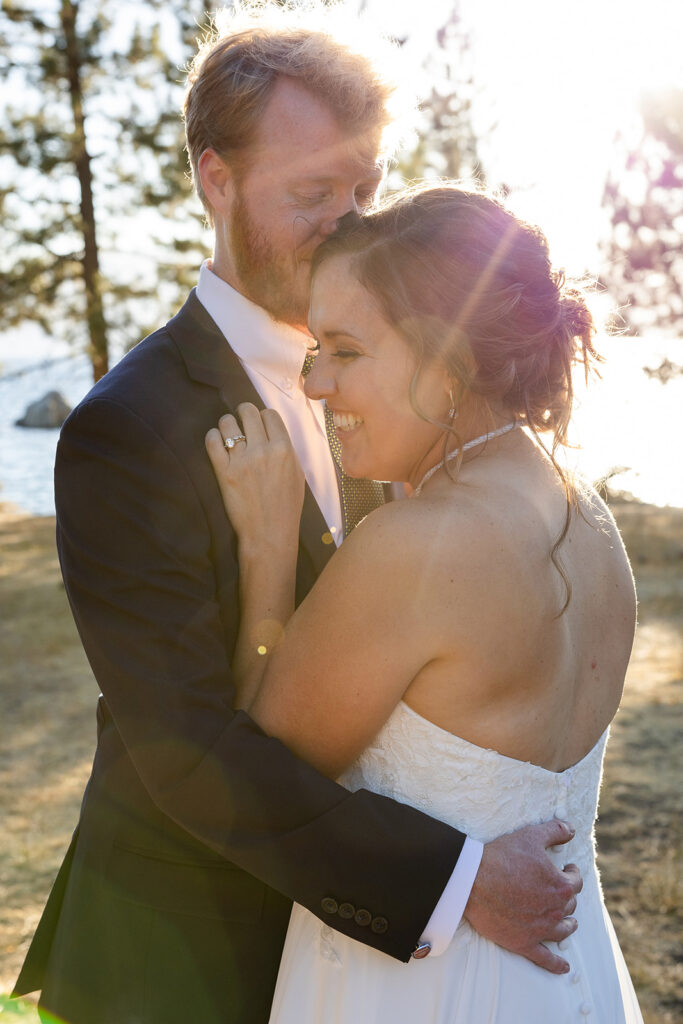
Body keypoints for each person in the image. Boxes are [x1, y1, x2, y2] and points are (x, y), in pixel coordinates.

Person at [13, 6, 581, 1024]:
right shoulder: (126, 429)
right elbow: (185, 745)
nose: (350, 220)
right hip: (183, 953)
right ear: (215, 179)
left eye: (365, 186)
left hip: (367, 969)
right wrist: (452, 879)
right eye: (312, 193)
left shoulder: (408, 388)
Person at [205, 183, 644, 1023]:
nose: (318, 385)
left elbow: (258, 768)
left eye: (344, 350)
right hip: (563, 969)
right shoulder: (586, 515)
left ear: (445, 363)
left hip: (420, 987)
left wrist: (266, 549)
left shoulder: (413, 547)